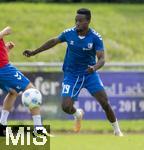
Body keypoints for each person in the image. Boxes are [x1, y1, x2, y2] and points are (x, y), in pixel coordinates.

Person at [23, 8, 123, 136]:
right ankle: (78, 113)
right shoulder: (69, 33)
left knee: (105, 102)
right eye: (76, 20)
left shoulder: (95, 37)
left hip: (89, 74)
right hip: (71, 74)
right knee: (66, 107)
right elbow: (53, 41)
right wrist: (34, 52)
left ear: (88, 21)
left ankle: (117, 130)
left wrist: (94, 68)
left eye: (80, 21)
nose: (77, 23)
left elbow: (102, 59)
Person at [0, 26, 48, 136]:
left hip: (2, 67)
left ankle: (2, 124)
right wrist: (3, 33)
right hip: (4, 68)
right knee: (31, 90)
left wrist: (5, 49)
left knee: (13, 92)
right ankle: (38, 128)